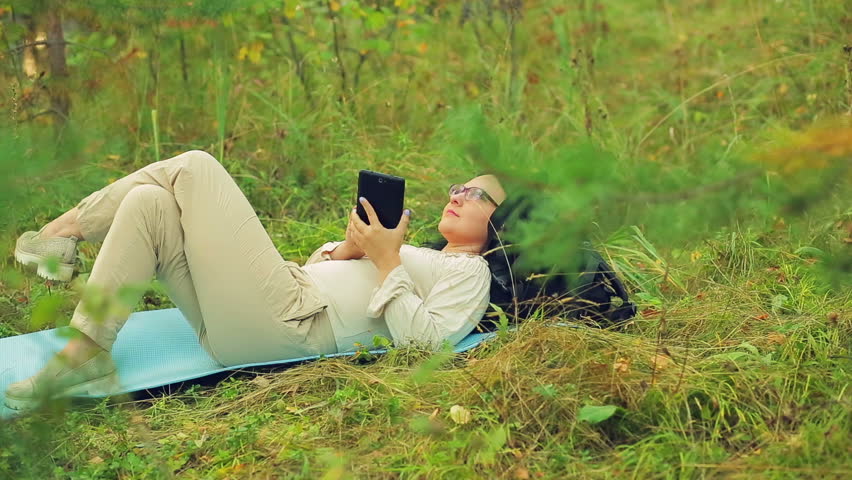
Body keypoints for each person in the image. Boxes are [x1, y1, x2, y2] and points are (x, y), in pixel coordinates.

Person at [5, 150, 507, 410]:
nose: (458, 195)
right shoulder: (421, 252)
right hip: (279, 300)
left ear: (500, 223)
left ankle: (60, 234)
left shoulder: (471, 271)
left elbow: (427, 344)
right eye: (458, 187)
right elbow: (322, 267)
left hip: (295, 324)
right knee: (149, 204)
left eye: (476, 195)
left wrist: (386, 260)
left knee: (196, 166)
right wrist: (352, 248)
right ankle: (87, 349)